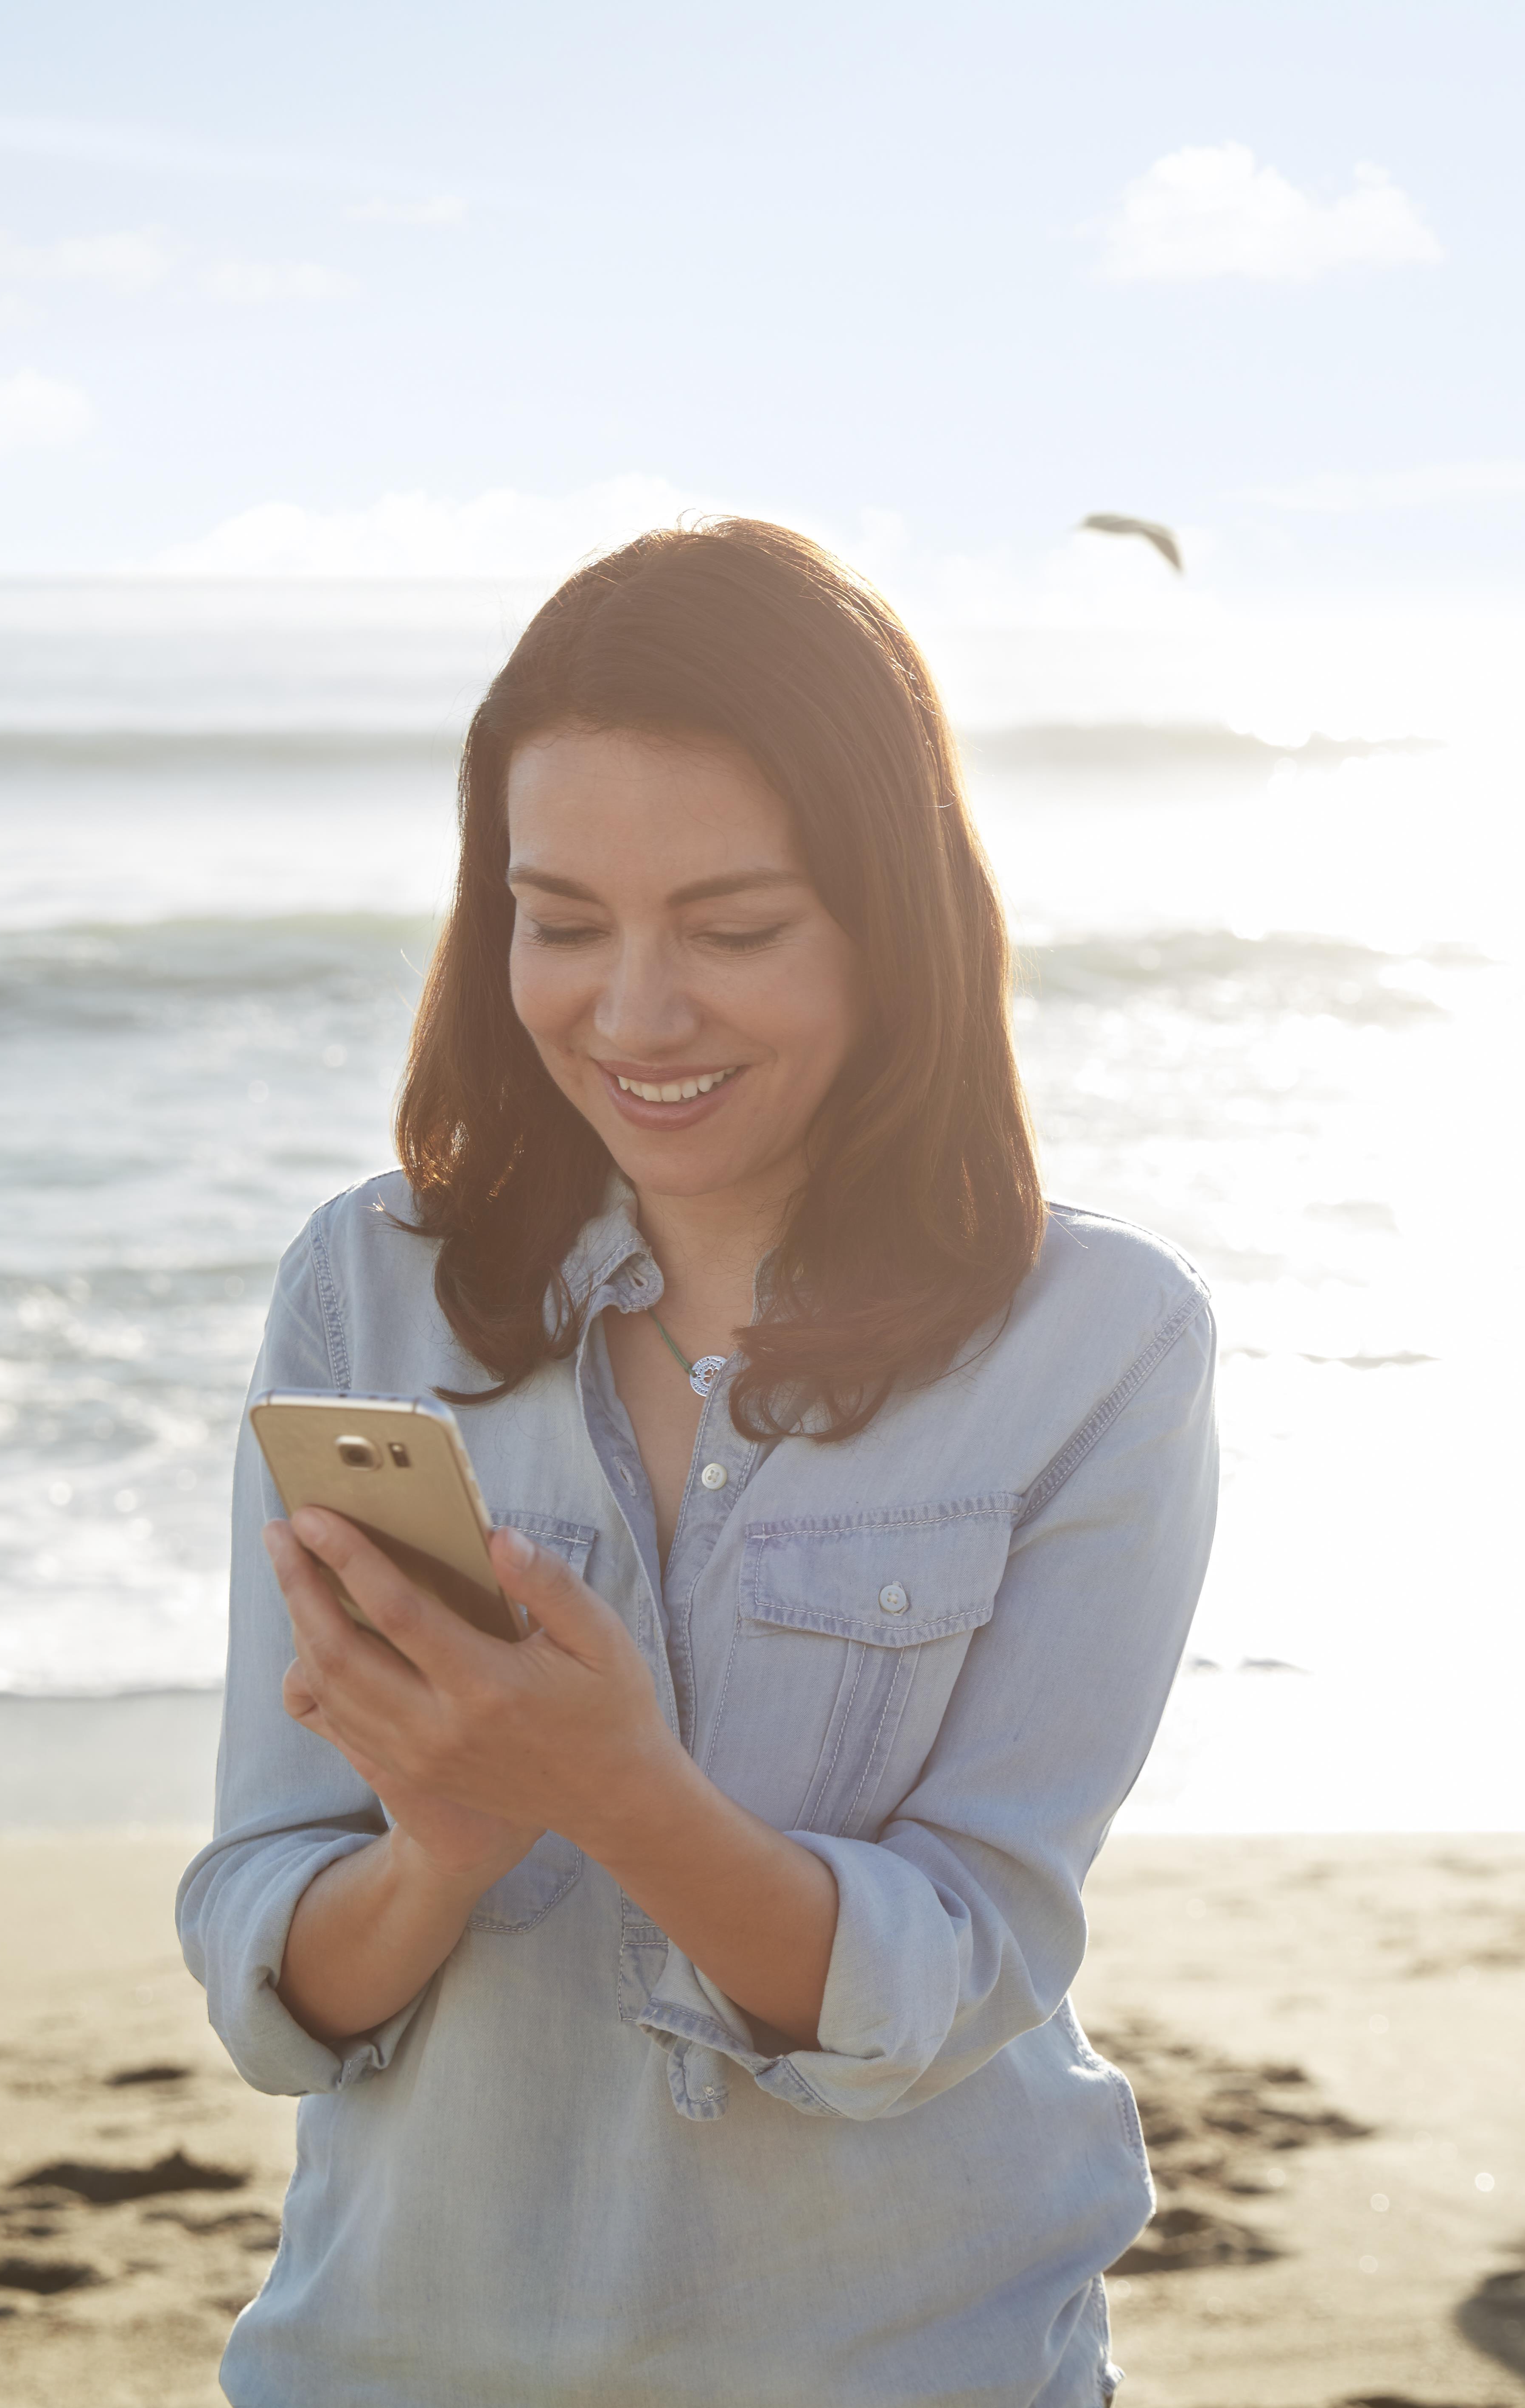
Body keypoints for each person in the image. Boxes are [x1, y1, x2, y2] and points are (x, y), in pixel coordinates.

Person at [175, 521, 1219, 2407]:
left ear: (891, 924)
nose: (634, 1013)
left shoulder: (1101, 1345)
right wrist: (445, 1848)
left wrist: (628, 1799)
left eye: (733, 929)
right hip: (399, 2356)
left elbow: (967, 1962)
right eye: (561, 921)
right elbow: (270, 1958)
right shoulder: (367, 1290)